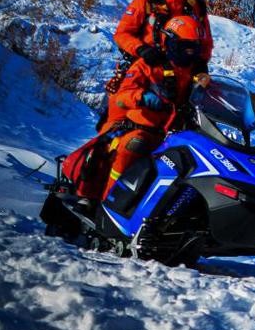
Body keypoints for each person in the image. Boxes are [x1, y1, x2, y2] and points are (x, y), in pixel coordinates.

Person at [77, 15, 204, 206]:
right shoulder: (148, 64)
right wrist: (142, 97)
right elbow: (122, 95)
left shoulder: (195, 72)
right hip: (141, 128)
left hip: (175, 134)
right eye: (185, 46)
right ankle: (109, 206)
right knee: (133, 146)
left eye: (193, 47)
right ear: (170, 41)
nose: (189, 53)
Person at [110, 0, 213, 90]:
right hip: (146, 73)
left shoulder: (197, 7)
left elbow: (205, 42)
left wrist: (201, 63)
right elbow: (122, 34)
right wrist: (141, 49)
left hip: (184, 77)